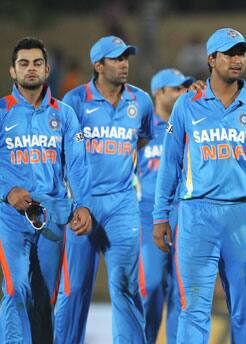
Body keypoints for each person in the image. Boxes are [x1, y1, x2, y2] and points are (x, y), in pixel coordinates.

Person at [152, 28, 246, 343]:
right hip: (196, 216)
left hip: (243, 216)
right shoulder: (187, 105)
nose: (237, 60)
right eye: (229, 53)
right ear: (211, 59)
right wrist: (160, 215)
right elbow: (170, 163)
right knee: (193, 310)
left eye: (241, 53)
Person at [54, 35, 154, 343]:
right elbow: (59, 152)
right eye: (116, 59)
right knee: (74, 290)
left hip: (123, 205)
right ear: (98, 65)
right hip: (82, 205)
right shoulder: (74, 101)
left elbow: (141, 140)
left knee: (126, 286)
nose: (124, 64)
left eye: (126, 58)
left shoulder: (141, 102)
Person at [0, 37, 92, 343]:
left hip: (52, 215)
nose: (31, 69)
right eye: (23, 64)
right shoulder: (1, 112)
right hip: (11, 217)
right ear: (12, 71)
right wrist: (6, 191)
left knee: (44, 301)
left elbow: (77, 165)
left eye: (37, 63)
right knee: (15, 291)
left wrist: (81, 205)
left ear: (47, 69)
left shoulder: (64, 114)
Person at [137, 68, 192, 344]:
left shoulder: (189, 125)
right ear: (159, 93)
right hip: (148, 215)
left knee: (182, 293)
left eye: (185, 89)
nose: (183, 93)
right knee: (152, 285)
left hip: (184, 214)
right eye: (176, 89)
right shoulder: (142, 130)